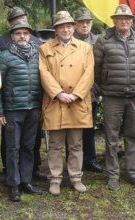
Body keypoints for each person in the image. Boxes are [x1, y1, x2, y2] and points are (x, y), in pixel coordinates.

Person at [39, 11, 94, 195]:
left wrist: (77, 94)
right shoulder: (45, 49)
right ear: (56, 29)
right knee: (54, 145)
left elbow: (89, 74)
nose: (66, 29)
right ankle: (55, 179)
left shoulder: (85, 48)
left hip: (77, 103)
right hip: (56, 102)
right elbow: (44, 74)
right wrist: (59, 93)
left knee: (76, 144)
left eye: (69, 25)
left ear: (74, 27)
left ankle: (76, 177)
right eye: (62, 26)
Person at [94, 4, 135, 191]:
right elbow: (96, 69)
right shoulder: (103, 41)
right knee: (111, 137)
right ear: (114, 20)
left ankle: (132, 173)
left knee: (133, 136)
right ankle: (113, 175)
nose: (124, 21)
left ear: (132, 21)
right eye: (120, 18)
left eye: (128, 19)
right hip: (112, 97)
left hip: (134, 96)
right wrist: (105, 86)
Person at [0, 20, 43, 202]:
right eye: (18, 33)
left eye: (25, 33)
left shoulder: (39, 54)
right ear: (12, 37)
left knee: (29, 147)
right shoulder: (4, 56)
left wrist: (41, 107)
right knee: (13, 147)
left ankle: (26, 181)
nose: (22, 36)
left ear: (29, 35)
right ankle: (13, 184)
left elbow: (44, 82)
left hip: (33, 109)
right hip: (13, 109)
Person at [73, 7, 103, 173]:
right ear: (75, 24)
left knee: (89, 128)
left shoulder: (98, 41)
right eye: (81, 22)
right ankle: (73, 162)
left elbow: (101, 67)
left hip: (91, 92)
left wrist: (97, 88)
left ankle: (90, 160)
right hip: (72, 92)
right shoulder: (68, 39)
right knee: (72, 130)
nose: (85, 25)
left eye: (88, 22)